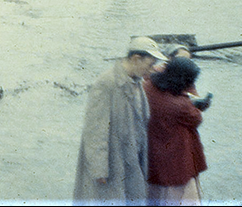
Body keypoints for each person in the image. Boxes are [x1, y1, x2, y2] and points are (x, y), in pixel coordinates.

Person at [73, 36, 167, 204]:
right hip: (111, 164)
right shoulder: (106, 83)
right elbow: (95, 130)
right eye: (150, 64)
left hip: (131, 158)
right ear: (136, 58)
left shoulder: (137, 82)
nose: (152, 70)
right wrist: (99, 169)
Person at [145, 57, 207, 205]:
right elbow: (197, 118)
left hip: (153, 154)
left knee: (154, 194)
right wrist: (194, 99)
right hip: (176, 160)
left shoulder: (148, 86)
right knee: (180, 196)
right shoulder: (180, 104)